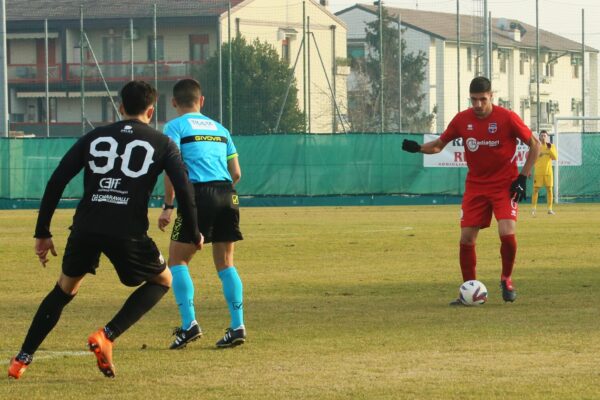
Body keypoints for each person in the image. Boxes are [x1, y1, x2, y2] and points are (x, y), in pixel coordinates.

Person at [8, 81, 202, 379]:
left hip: (86, 225)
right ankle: (107, 335)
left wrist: (43, 231)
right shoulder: (163, 143)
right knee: (163, 280)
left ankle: (22, 358)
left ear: (120, 107)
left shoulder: (94, 136)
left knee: (64, 289)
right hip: (128, 230)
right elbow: (184, 190)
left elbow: (56, 181)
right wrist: (192, 230)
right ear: (151, 110)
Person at [402, 76, 540, 305]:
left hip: (504, 184)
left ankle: (506, 279)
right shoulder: (462, 120)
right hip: (476, 186)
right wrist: (418, 148)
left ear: (491, 96)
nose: (477, 105)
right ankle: (469, 290)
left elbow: (535, 145)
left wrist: (522, 177)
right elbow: (438, 145)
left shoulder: (507, 118)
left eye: (482, 100)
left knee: (507, 232)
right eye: (473, 100)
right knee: (466, 238)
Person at [158, 78, 245, 349]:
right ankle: (238, 325)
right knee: (226, 262)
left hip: (198, 195)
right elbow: (237, 173)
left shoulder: (174, 127)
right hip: (228, 195)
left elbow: (172, 169)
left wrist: (168, 206)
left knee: (177, 261)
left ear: (174, 102)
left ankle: (189, 325)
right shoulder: (221, 129)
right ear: (202, 100)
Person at [531, 130, 558, 216]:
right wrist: (539, 154)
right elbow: (532, 158)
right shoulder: (536, 146)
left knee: (549, 190)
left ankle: (550, 209)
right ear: (539, 137)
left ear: (547, 137)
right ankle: (533, 209)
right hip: (538, 172)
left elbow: (555, 157)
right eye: (541, 136)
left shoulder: (551, 146)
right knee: (535, 190)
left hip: (548, 172)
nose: (543, 137)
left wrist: (549, 150)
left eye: (544, 136)